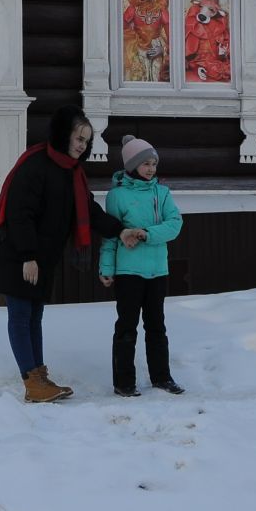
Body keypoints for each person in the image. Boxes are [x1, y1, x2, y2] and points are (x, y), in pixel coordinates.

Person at [0, 106, 146, 403]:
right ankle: (32, 381)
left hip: (42, 258)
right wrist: (27, 256)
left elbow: (88, 211)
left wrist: (120, 230)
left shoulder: (71, 173)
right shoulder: (36, 165)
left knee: (34, 317)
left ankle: (37, 377)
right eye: (78, 137)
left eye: (86, 141)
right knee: (21, 316)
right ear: (64, 134)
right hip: (20, 256)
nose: (81, 145)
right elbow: (19, 212)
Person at [99, 135, 185, 397]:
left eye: (153, 164)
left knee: (156, 326)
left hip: (157, 270)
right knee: (126, 326)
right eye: (145, 163)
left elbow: (175, 224)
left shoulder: (163, 193)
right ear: (132, 166)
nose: (151, 169)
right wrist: (107, 267)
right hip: (128, 273)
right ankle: (124, 382)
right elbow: (110, 234)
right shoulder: (117, 196)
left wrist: (147, 233)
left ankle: (161, 376)